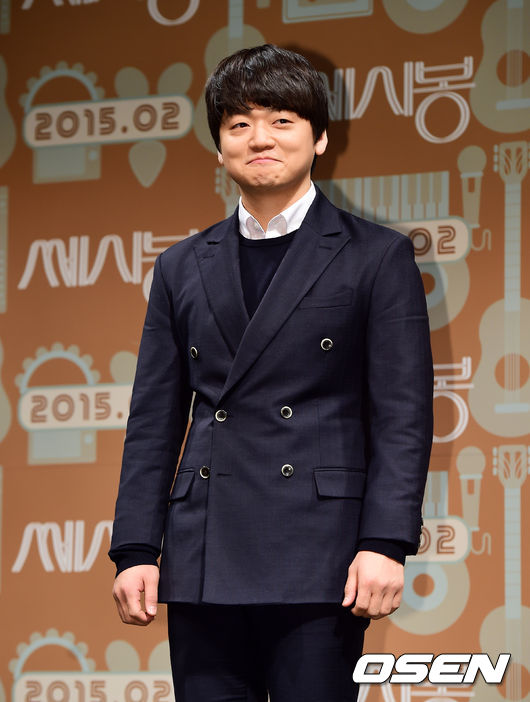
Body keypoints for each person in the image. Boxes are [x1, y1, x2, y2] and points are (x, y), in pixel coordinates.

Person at [109, 44, 434, 702]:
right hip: (205, 550)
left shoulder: (376, 257)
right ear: (220, 148)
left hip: (320, 552)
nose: (260, 138)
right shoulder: (181, 266)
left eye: (282, 120)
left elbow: (402, 415)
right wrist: (136, 549)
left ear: (320, 138)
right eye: (239, 124)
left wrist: (385, 542)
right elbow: (153, 421)